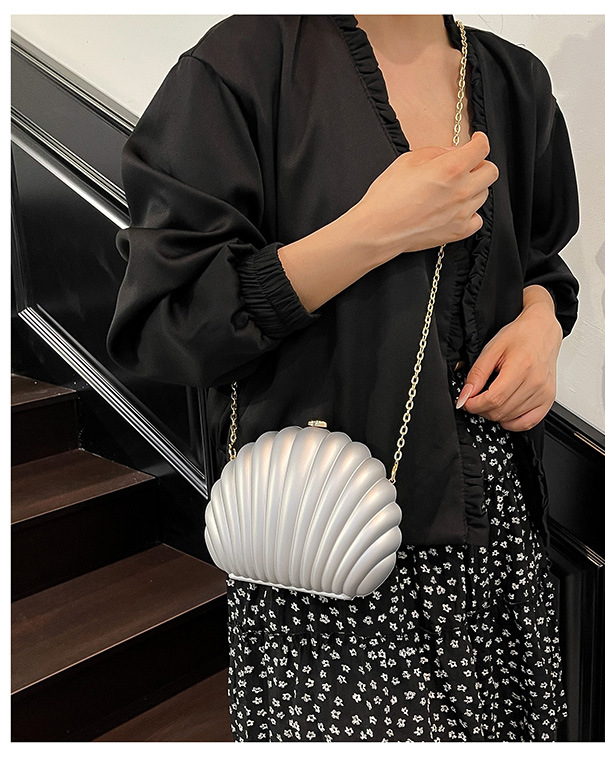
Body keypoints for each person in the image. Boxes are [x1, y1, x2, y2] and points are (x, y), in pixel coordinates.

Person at [107, 14, 580, 742]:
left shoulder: (516, 81)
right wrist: (371, 231)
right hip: (326, 537)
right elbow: (169, 321)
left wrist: (542, 324)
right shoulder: (245, 65)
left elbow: (539, 259)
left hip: (495, 536)